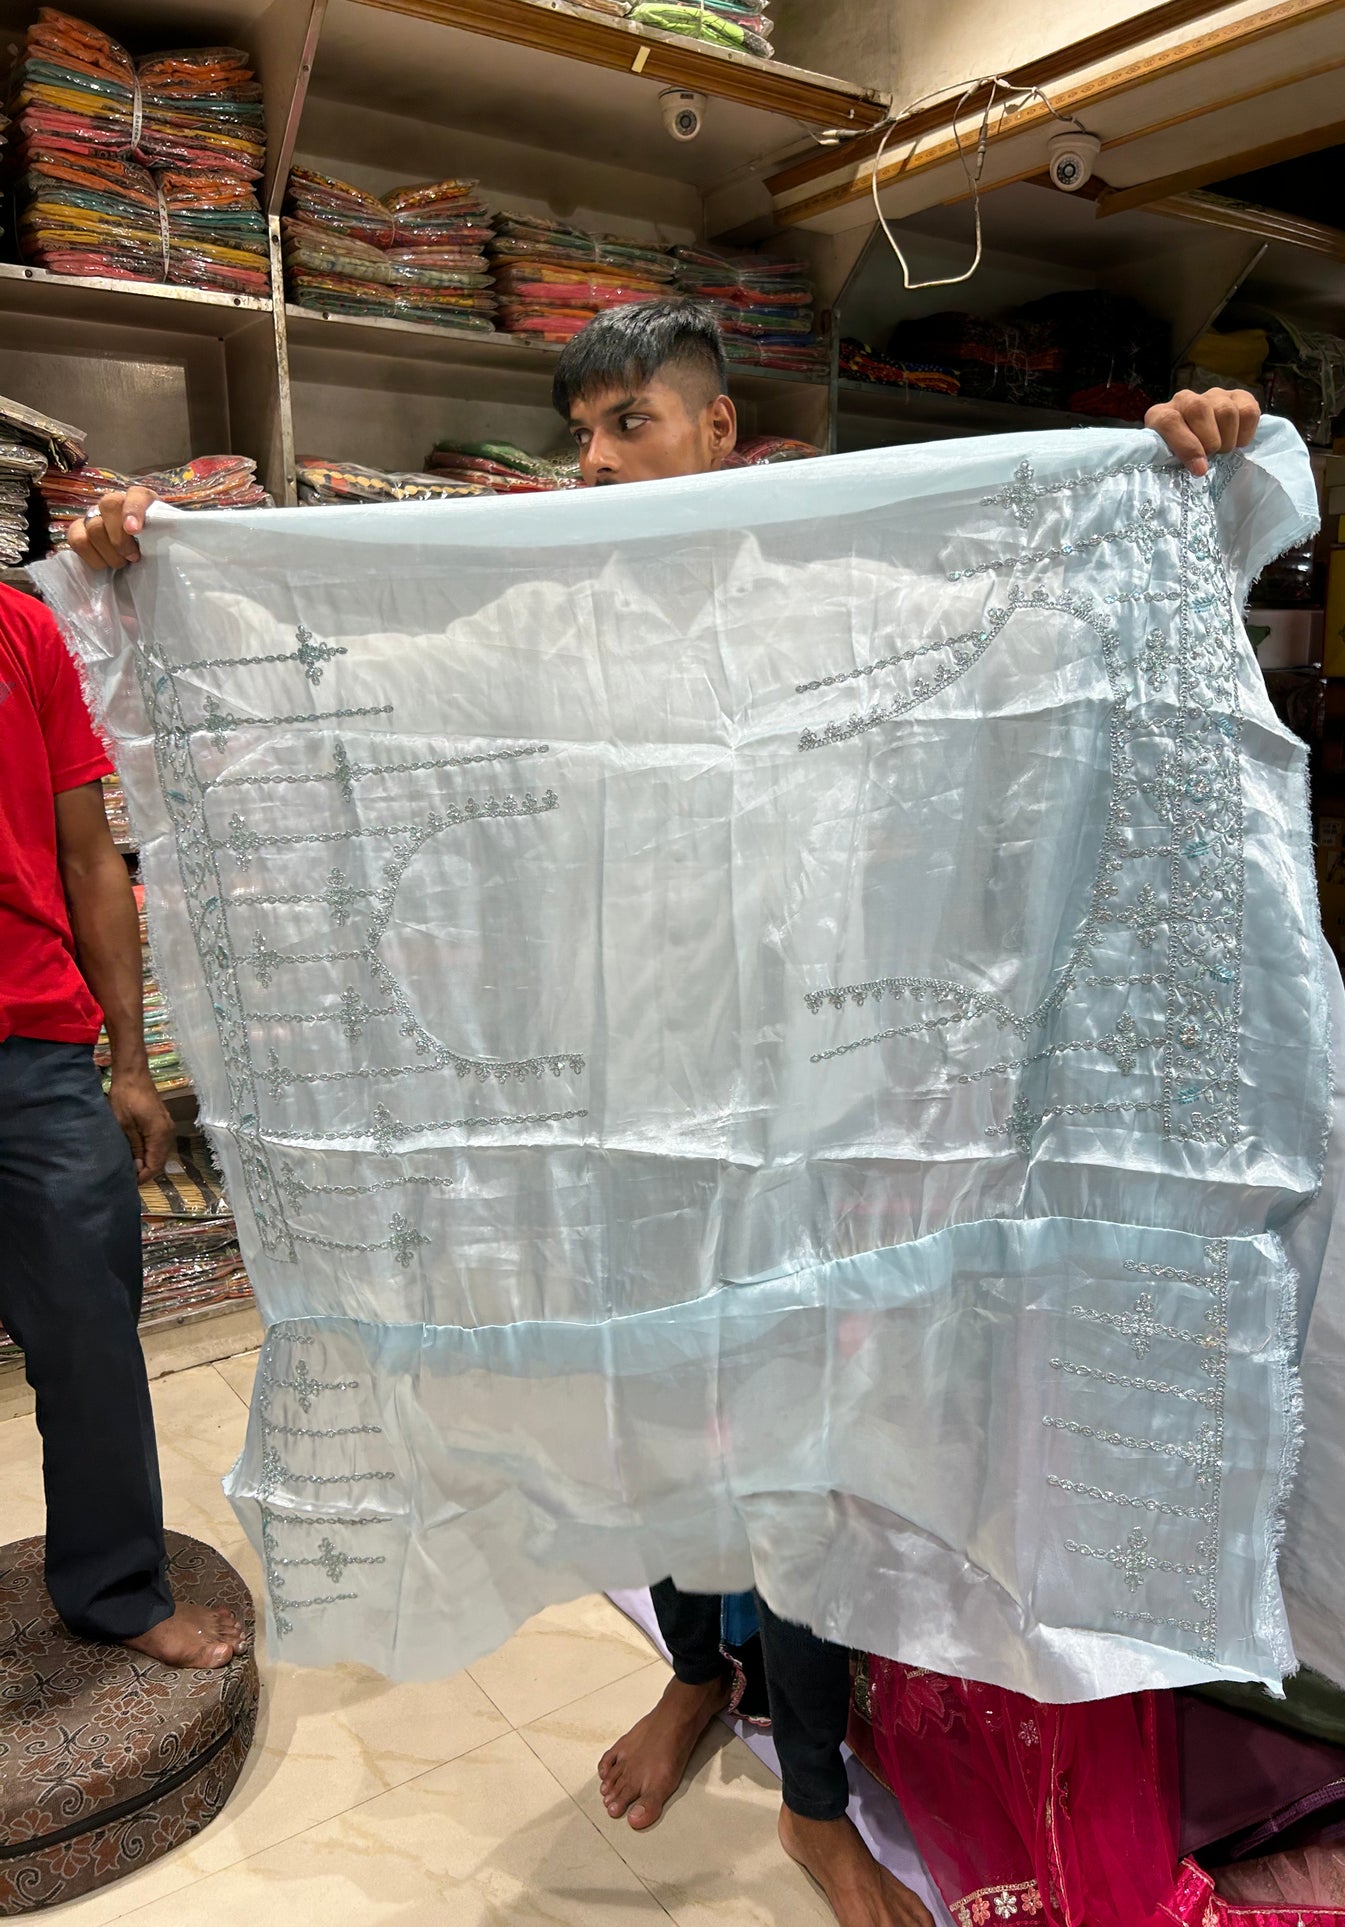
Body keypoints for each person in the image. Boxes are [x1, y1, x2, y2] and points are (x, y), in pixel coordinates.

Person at [66, 297, 1262, 1925]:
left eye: (630, 423)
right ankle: (702, 1676)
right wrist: (159, 574)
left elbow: (1017, 618)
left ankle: (818, 1801)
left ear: (720, 434)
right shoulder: (544, 619)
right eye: (581, 430)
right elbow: (335, 676)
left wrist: (1162, 467)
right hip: (601, 1129)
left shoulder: (831, 595)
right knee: (646, 1412)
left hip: (795, 1127)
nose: (596, 457)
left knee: (792, 1443)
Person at [0, 580, 243, 1669]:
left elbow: (92, 855)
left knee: (91, 1338)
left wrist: (132, 1063)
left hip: (35, 1049)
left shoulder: (21, 627)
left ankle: (115, 1589)